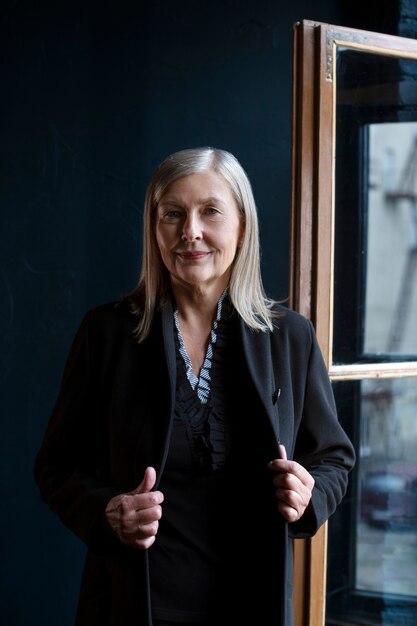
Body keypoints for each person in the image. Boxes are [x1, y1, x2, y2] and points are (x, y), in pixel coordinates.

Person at [34, 146, 356, 626]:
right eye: (173, 214)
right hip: (133, 605)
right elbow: (56, 466)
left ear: (242, 225)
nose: (191, 232)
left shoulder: (291, 336)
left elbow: (333, 457)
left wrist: (310, 495)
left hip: (252, 605)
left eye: (210, 211)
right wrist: (106, 511)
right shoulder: (105, 334)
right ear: (154, 228)